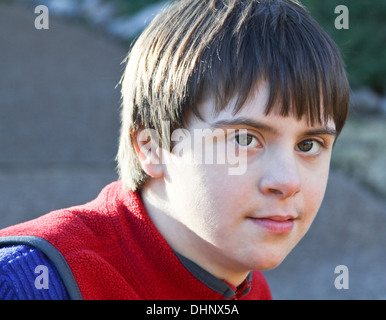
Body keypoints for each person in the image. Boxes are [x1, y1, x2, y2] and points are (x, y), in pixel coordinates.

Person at [0, 0, 349, 300]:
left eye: (309, 144)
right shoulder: (30, 281)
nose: (287, 181)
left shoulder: (246, 284)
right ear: (153, 148)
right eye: (244, 139)